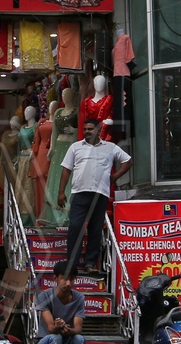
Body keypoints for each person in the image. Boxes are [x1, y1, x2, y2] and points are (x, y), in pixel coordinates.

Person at [56, 116, 131, 276]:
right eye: (85, 129)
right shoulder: (75, 147)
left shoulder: (110, 147)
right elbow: (66, 170)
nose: (87, 132)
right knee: (75, 227)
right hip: (79, 193)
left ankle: (90, 263)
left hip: (100, 194)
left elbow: (128, 161)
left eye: (90, 129)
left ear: (98, 130)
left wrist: (114, 177)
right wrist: (61, 192)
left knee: (95, 229)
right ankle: (72, 263)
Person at [35, 261, 86, 344]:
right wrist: (58, 326)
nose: (67, 283)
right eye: (63, 279)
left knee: (79, 339)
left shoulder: (79, 298)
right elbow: (51, 328)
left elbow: (78, 328)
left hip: (65, 343)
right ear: (56, 278)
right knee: (55, 337)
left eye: (71, 280)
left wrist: (69, 331)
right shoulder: (45, 296)